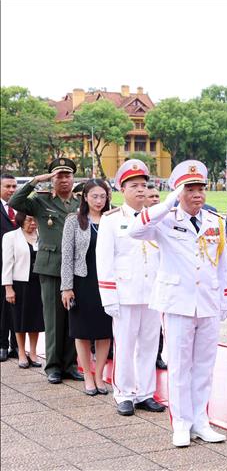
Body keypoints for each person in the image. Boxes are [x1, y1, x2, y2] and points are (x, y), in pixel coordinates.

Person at [130, 159, 227, 447]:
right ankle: (182, 423)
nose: (198, 194)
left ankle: (201, 420)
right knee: (179, 365)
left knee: (204, 365)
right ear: (178, 192)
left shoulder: (215, 222)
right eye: (190, 189)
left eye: (201, 188)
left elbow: (224, 264)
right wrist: (167, 203)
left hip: (207, 301)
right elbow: (135, 230)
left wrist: (225, 298)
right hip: (177, 303)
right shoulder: (165, 220)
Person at [96, 160, 165, 415]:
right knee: (124, 346)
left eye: (143, 185)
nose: (140, 190)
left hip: (152, 292)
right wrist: (109, 297)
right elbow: (104, 261)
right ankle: (124, 394)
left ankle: (146, 392)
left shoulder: (157, 218)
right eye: (133, 185)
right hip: (125, 292)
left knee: (149, 345)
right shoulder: (111, 220)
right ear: (122, 189)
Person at [9, 159, 82, 384]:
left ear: (73, 179)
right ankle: (53, 366)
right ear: (52, 179)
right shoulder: (41, 202)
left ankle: (70, 364)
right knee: (53, 318)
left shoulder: (79, 203)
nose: (64, 180)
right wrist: (34, 181)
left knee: (73, 318)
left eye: (67, 175)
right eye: (59, 176)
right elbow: (15, 201)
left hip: (77, 268)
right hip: (51, 267)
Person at [60, 179, 113, 395]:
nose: (99, 201)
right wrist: (66, 287)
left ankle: (100, 375)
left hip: (106, 283)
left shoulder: (112, 219)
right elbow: (67, 256)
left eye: (103, 196)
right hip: (82, 282)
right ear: (85, 197)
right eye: (94, 196)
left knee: (104, 332)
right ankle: (88, 376)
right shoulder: (74, 221)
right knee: (81, 332)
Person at [2, 212, 44, 368]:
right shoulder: (11, 237)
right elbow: (7, 263)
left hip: (39, 283)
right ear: (21, 220)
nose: (33, 223)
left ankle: (33, 353)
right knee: (20, 320)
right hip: (20, 284)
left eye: (35, 220)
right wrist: (8, 288)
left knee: (36, 320)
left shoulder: (42, 235)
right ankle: (21, 352)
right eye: (29, 220)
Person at [143, 183, 167, 371]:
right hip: (144, 281)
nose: (155, 200)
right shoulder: (139, 222)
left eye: (157, 197)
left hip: (164, 280)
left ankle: (158, 355)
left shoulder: (167, 219)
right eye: (151, 197)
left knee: (159, 324)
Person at [1, 174, 20, 361]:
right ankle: (2, 345)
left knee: (18, 307)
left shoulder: (20, 207)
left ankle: (16, 345)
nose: (12, 190)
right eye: (8, 186)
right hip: (2, 265)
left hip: (20, 265)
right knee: (2, 308)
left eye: (14, 186)